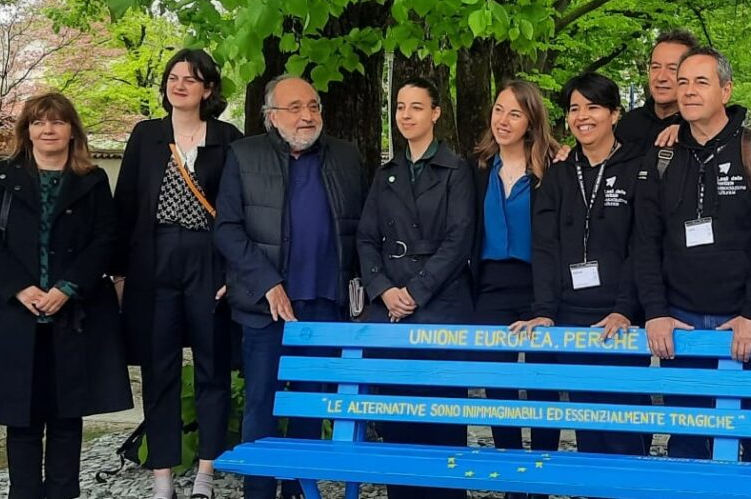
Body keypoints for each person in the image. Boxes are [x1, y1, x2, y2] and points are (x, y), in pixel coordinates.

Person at [632, 46, 751, 461]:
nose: (688, 91)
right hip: (680, 322)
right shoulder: (663, 155)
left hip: (746, 322)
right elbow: (645, 242)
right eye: (683, 82)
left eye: (701, 82)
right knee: (687, 437)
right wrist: (655, 311)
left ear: (725, 90)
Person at [0, 93, 132, 499]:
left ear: (72, 130)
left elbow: (104, 239)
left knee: (66, 415)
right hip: (13, 313)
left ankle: (63, 493)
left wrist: (67, 288)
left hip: (74, 316)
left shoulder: (92, 180)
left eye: (57, 122)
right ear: (27, 131)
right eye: (39, 122)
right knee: (20, 416)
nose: (48, 130)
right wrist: (20, 288)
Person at [214, 74, 368, 499]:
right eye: (295, 107)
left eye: (313, 106)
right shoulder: (244, 155)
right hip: (266, 307)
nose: (307, 116)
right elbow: (227, 229)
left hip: (325, 302)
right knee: (261, 405)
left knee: (310, 406)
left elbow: (363, 227)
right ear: (271, 116)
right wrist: (268, 282)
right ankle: (259, 491)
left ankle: (300, 490)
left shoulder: (346, 156)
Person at [114, 49, 242, 499]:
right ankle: (162, 474)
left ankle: (207, 469)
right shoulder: (146, 134)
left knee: (213, 365)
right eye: (173, 77)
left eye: (191, 78)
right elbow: (125, 205)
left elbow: (239, 208)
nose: (179, 85)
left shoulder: (228, 137)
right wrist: (119, 274)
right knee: (159, 368)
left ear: (208, 89)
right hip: (153, 258)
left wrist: (233, 269)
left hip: (209, 257)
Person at [513, 72, 646, 456]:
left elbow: (642, 245)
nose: (582, 117)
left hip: (618, 319)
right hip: (570, 317)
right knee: (587, 425)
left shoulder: (639, 167)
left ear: (614, 114)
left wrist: (625, 309)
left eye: (593, 107)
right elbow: (545, 247)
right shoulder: (559, 173)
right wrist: (544, 311)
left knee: (621, 427)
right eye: (574, 109)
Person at [357, 77, 475, 499]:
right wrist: (384, 289)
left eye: (416, 107)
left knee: (441, 417)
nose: (406, 115)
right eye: (400, 107)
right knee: (397, 415)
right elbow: (366, 238)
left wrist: (415, 292)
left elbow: (459, 239)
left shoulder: (455, 170)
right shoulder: (386, 173)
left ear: (436, 113)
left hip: (440, 305)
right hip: (391, 308)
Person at [471, 80, 562, 471]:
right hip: (491, 287)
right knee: (498, 384)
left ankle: (542, 471)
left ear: (531, 121)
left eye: (514, 113)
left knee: (543, 382)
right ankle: (510, 472)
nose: (503, 121)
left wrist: (548, 304)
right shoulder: (477, 168)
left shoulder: (552, 169)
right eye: (498, 110)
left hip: (540, 286)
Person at [615, 28, 698, 151]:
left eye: (672, 69)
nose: (661, 77)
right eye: (655, 67)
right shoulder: (629, 123)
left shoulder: (699, 128)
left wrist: (688, 132)